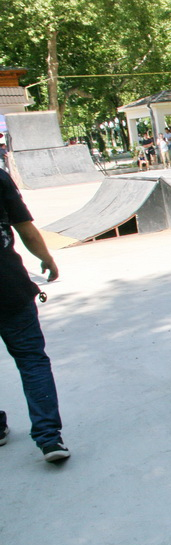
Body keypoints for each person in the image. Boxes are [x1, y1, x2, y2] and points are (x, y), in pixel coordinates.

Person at [0, 169, 70, 462]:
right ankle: (49, 438)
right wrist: (46, 258)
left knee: (32, 360)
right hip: (9, 288)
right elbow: (25, 229)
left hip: (11, 290)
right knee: (32, 360)